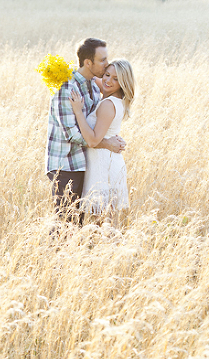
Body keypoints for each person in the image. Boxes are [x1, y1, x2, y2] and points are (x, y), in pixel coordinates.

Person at [45, 38, 126, 224]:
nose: (107, 64)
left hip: (85, 164)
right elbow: (72, 134)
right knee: (65, 224)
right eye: (102, 60)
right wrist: (106, 143)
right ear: (88, 63)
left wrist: (110, 136)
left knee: (77, 224)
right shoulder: (66, 88)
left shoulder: (93, 85)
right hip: (66, 165)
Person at [70, 59, 135, 224]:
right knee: (104, 222)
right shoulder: (115, 98)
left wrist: (78, 111)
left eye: (115, 79)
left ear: (123, 83)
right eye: (107, 75)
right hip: (108, 161)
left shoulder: (107, 104)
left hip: (103, 165)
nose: (108, 81)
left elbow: (92, 140)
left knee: (102, 222)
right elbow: (93, 77)